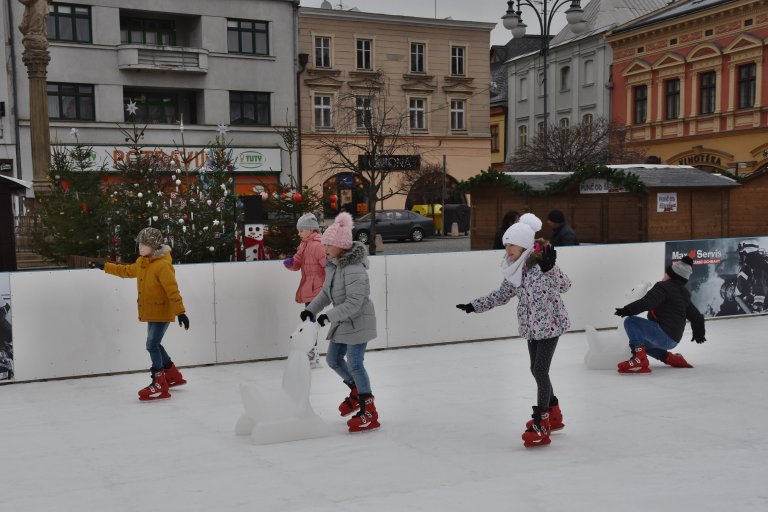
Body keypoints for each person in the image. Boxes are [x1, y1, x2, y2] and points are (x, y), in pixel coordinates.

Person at [456, 213, 571, 448]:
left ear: (525, 245)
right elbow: (501, 295)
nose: (507, 250)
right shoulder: (515, 271)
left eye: (512, 245)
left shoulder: (542, 265)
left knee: (540, 370)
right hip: (531, 327)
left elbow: (566, 285)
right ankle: (554, 412)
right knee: (535, 369)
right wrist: (474, 306)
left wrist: (551, 269)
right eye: (506, 245)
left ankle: (542, 421)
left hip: (550, 324)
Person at [89, 227, 190, 401]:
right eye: (140, 244)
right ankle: (173, 375)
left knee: (151, 345)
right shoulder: (142, 262)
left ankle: (160, 383)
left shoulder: (163, 266)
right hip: (151, 311)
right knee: (155, 344)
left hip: (162, 311)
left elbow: (172, 290)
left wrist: (181, 312)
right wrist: (104, 266)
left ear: (154, 245)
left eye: (145, 244)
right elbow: (126, 271)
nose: (141, 248)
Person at [300, 212, 379, 433]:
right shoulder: (334, 266)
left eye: (328, 245)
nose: (324, 249)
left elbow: (355, 302)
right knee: (334, 359)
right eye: (324, 244)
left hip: (358, 322)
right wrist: (311, 310)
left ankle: (369, 409)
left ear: (341, 246)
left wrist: (328, 316)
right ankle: (356, 390)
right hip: (343, 322)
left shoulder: (354, 269)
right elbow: (326, 294)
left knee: (355, 362)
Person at [614, 255, 706, 374]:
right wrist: (699, 333)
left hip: (662, 335)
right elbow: (695, 316)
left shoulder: (663, 287)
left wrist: (627, 310)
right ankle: (670, 358)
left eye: (667, 272)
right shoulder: (684, 293)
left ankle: (640, 359)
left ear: (672, 275)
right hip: (673, 340)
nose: (664, 274)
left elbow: (647, 302)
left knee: (630, 322)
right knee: (640, 342)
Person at [284, 213, 326, 368]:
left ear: (309, 230)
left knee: (309, 322)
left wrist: (329, 286)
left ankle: (312, 356)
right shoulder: (304, 245)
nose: (299, 233)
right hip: (309, 287)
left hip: (317, 289)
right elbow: (297, 263)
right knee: (309, 321)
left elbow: (328, 266)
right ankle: (311, 354)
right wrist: (290, 263)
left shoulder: (317, 245)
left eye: (301, 230)